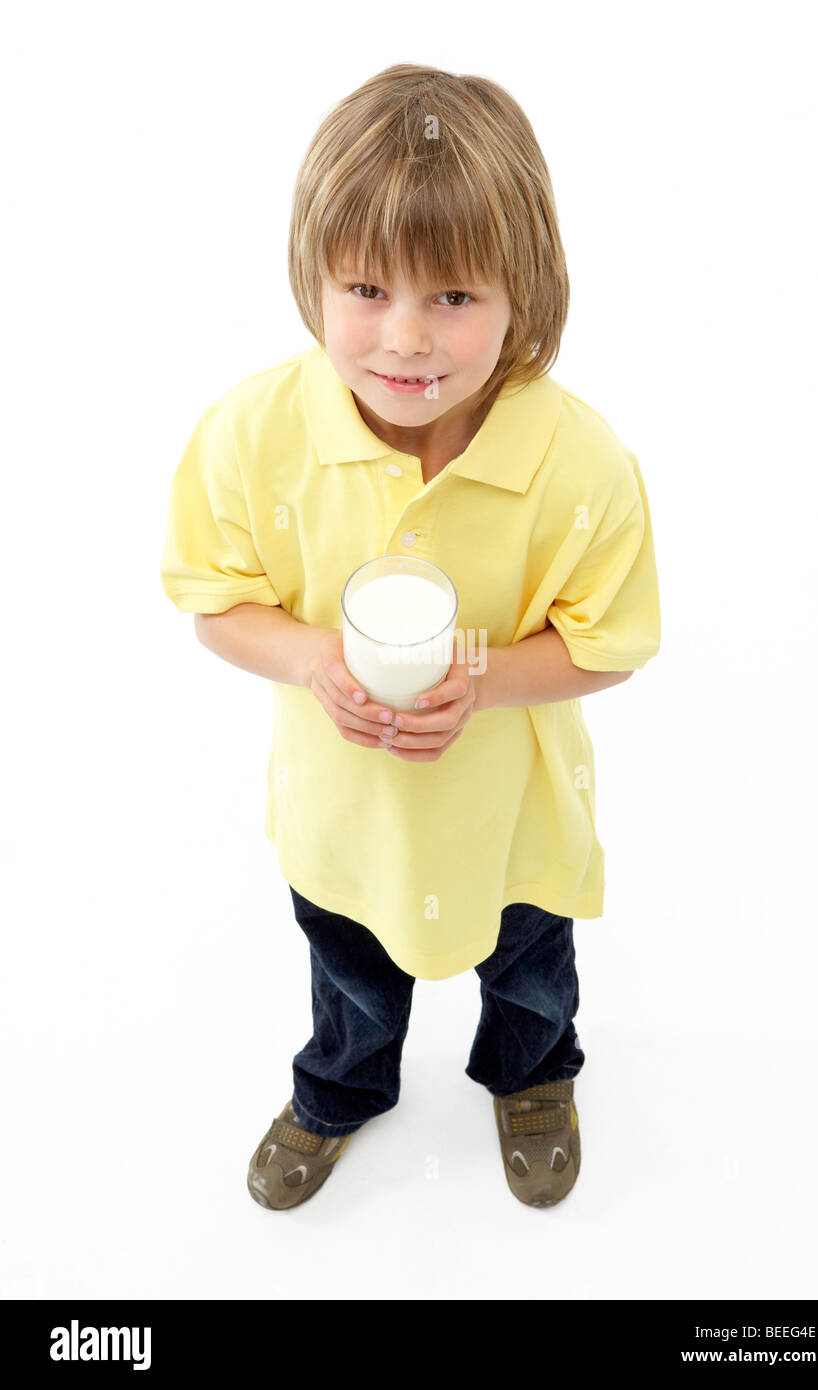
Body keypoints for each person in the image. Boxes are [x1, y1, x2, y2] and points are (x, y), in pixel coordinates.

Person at [160, 63, 661, 1210]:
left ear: (522, 292)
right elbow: (213, 601)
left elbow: (612, 642)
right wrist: (309, 656)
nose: (403, 340)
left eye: (452, 297)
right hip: (343, 810)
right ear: (311, 279)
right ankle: (341, 1087)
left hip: (512, 814)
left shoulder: (578, 463)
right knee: (347, 973)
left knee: (530, 968)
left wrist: (476, 679)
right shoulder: (250, 436)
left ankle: (532, 1077)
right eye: (366, 286)